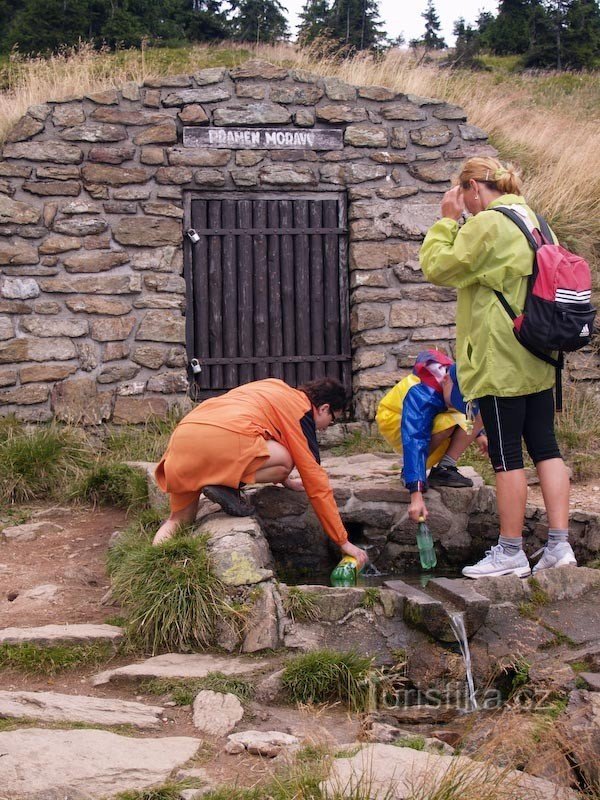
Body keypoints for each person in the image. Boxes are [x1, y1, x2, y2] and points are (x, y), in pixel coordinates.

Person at [420, 156, 575, 579]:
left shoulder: (488, 222)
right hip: (538, 353)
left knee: (506, 455)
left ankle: (510, 552)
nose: (464, 204)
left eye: (464, 196)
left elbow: (438, 267)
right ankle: (559, 546)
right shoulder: (537, 219)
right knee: (546, 446)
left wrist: (448, 221)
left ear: (473, 188)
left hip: (499, 358)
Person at [152, 376, 368, 569]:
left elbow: (262, 432)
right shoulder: (302, 413)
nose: (326, 427)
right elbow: (317, 483)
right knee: (288, 458)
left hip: (184, 440)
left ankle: (154, 567)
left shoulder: (274, 387)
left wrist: (286, 481)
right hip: (221, 443)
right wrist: (343, 541)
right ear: (323, 408)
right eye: (332, 420)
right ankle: (226, 484)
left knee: (178, 520)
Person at [376, 349, 487, 523]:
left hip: (434, 411)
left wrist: (478, 434)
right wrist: (416, 493)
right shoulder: (421, 393)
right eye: (456, 400)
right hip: (395, 418)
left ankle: (444, 468)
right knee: (448, 425)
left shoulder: (456, 376)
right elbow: (415, 438)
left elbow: (469, 412)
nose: (459, 405)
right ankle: (410, 471)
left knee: (478, 414)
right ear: (446, 380)